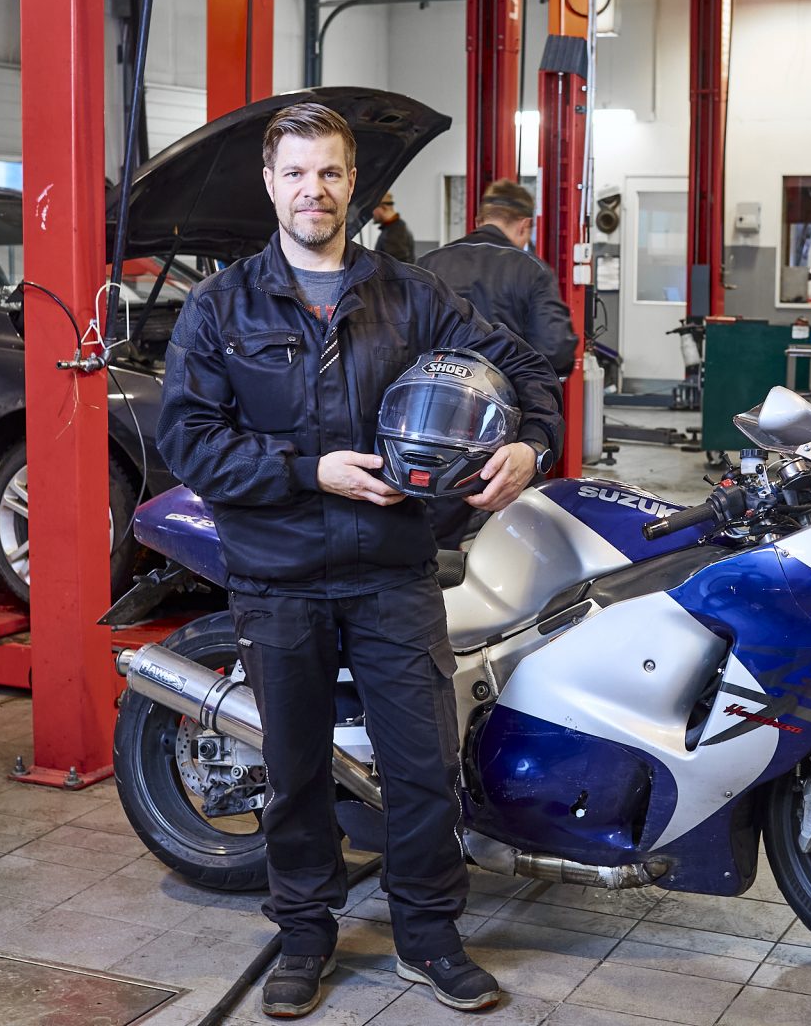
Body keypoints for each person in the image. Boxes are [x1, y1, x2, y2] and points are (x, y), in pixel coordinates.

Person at [158, 102, 562, 1019]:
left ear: (355, 185)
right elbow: (190, 439)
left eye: (331, 172)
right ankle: (303, 936)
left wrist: (530, 444)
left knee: (421, 765)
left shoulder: (412, 296)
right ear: (272, 184)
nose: (315, 190)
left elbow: (527, 368)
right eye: (296, 173)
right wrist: (312, 471)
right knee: (295, 769)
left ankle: (429, 938)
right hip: (279, 575)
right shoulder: (221, 307)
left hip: (390, 569)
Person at [418, 179, 578, 547]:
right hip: (505, 436)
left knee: (431, 546)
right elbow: (555, 350)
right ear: (524, 225)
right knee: (513, 539)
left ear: (479, 218)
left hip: (432, 430)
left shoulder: (426, 265)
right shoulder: (531, 269)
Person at [371, 192, 415, 264]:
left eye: (373, 209)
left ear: (383, 207)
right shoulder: (395, 227)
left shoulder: (394, 232)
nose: (372, 213)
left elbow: (397, 268)